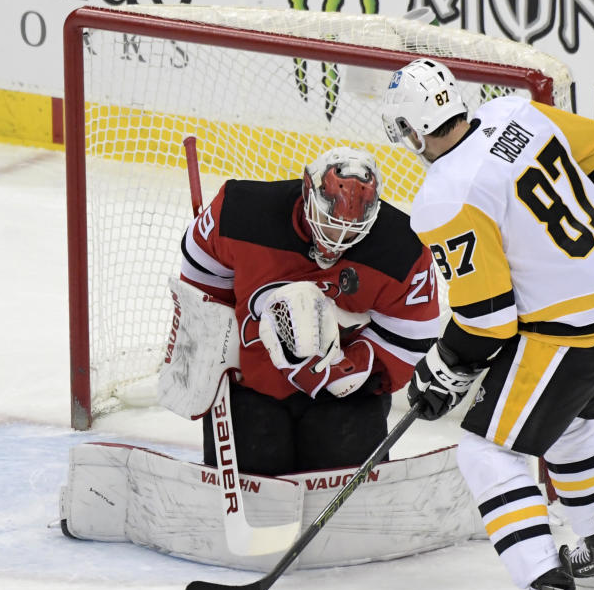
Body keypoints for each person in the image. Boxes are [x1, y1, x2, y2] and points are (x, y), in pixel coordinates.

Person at [381, 58, 594, 590]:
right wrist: (556, 245)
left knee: (486, 449)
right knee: (569, 424)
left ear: (412, 130)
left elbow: (488, 321)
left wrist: (441, 367)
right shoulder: (515, 112)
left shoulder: (443, 197)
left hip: (572, 330)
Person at [178, 146, 440, 476]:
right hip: (250, 384)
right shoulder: (239, 212)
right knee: (254, 475)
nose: (339, 238)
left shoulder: (402, 250)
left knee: (346, 487)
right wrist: (213, 348)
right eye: (330, 224)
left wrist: (343, 371)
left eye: (352, 228)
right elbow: (199, 280)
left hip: (343, 397)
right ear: (308, 190)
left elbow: (411, 340)